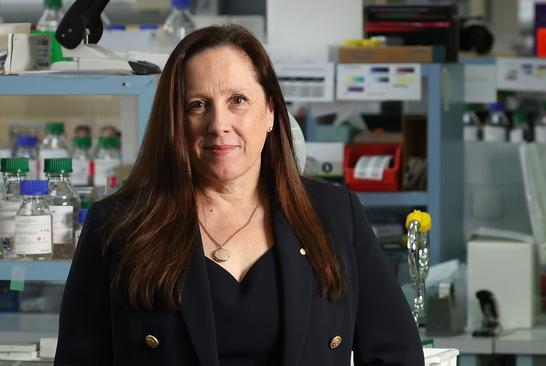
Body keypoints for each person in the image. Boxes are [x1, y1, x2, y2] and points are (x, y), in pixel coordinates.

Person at [54, 25, 423, 366]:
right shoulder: (118, 226)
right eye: (197, 105)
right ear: (175, 122)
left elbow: (397, 355)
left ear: (270, 113)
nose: (219, 125)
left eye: (238, 100)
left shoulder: (334, 214)